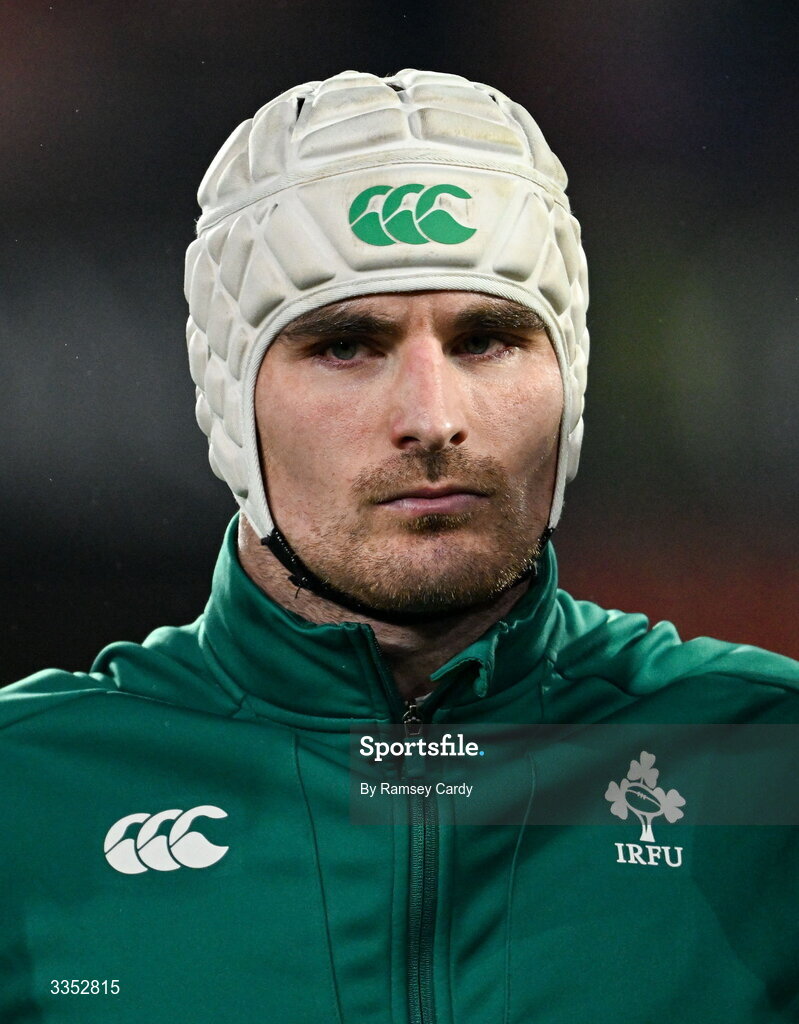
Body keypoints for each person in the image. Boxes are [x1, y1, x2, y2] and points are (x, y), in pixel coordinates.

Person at [1, 69, 797, 1023]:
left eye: (487, 340)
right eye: (346, 345)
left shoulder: (764, 764)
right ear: (226, 396)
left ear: (570, 382)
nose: (431, 419)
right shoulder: (28, 793)